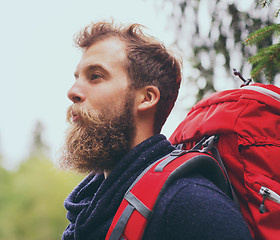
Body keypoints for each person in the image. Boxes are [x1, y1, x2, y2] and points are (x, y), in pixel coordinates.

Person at [59, 21, 253, 240]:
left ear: (146, 98)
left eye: (95, 76)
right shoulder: (85, 210)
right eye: (77, 78)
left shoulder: (189, 203)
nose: (72, 92)